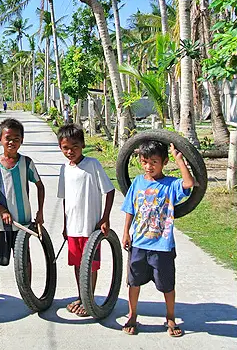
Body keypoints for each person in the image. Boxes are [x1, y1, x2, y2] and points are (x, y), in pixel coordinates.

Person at [121, 140, 194, 337]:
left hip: (163, 245)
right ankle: (132, 315)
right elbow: (130, 208)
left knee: (167, 285)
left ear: (164, 162)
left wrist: (179, 159)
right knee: (133, 282)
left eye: (154, 162)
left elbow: (189, 183)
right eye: (145, 161)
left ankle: (170, 317)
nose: (148, 166)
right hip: (139, 243)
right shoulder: (137, 182)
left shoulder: (171, 184)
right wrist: (126, 232)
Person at [0, 118, 45, 308]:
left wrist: (40, 213)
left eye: (16, 138)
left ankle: (28, 292)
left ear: (22, 140)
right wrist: (1, 210)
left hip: (23, 223)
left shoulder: (27, 163)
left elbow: (40, 186)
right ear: (0, 139)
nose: (12, 142)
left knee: (24, 259)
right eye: (8, 138)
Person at [56, 124, 115, 317]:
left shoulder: (93, 165)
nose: (70, 151)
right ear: (60, 147)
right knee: (77, 265)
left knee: (90, 265)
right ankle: (81, 296)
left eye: (74, 146)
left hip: (91, 228)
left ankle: (89, 300)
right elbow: (65, 199)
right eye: (65, 148)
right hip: (73, 228)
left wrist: (105, 218)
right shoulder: (64, 169)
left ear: (82, 145)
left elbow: (110, 190)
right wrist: (65, 225)